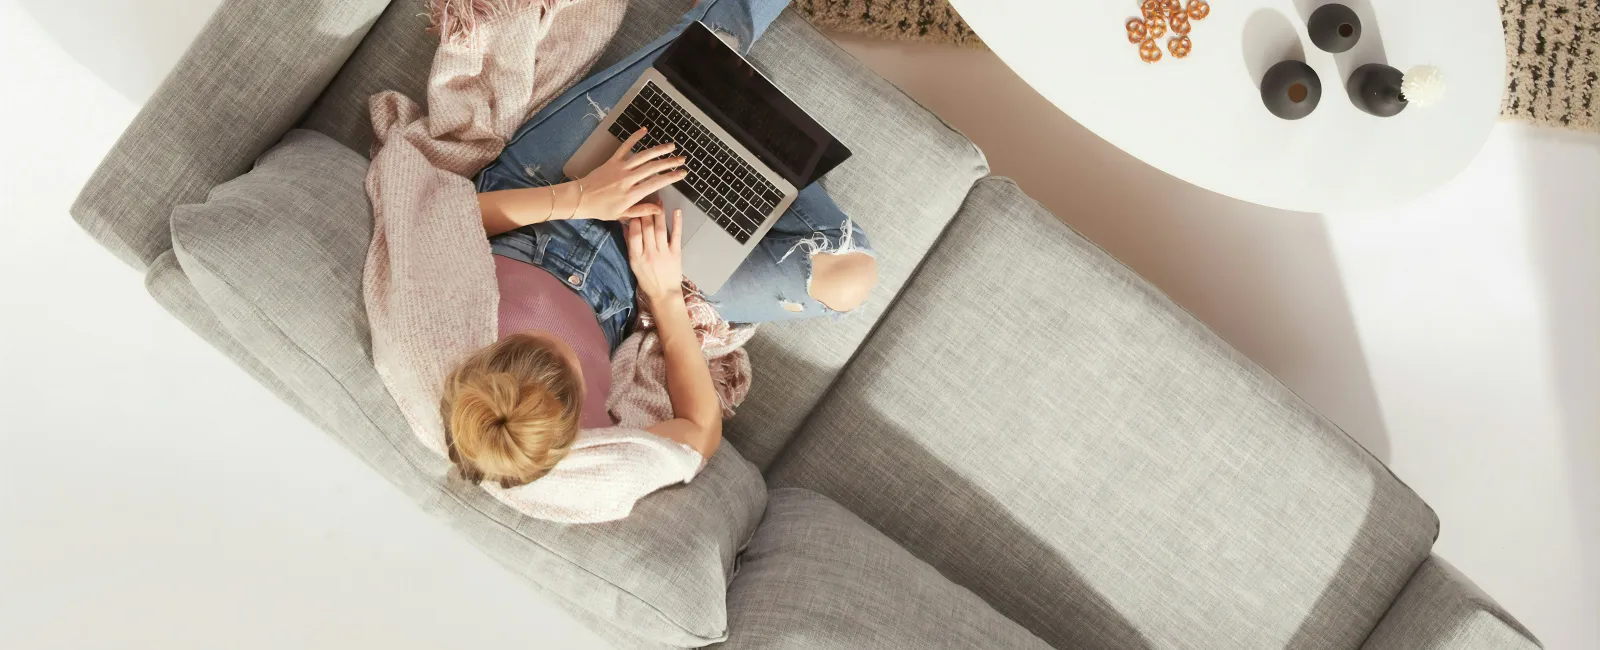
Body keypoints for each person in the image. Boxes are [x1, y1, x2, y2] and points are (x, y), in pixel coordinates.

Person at [439, 0, 878, 491]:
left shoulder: (438, 344)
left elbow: (445, 214)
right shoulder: (582, 461)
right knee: (848, 276)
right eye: (571, 359)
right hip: (645, 272)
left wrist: (584, 196)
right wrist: (666, 294)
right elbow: (700, 434)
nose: (561, 340)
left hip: (550, 192)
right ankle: (741, 137)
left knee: (706, 50)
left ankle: (715, 112)